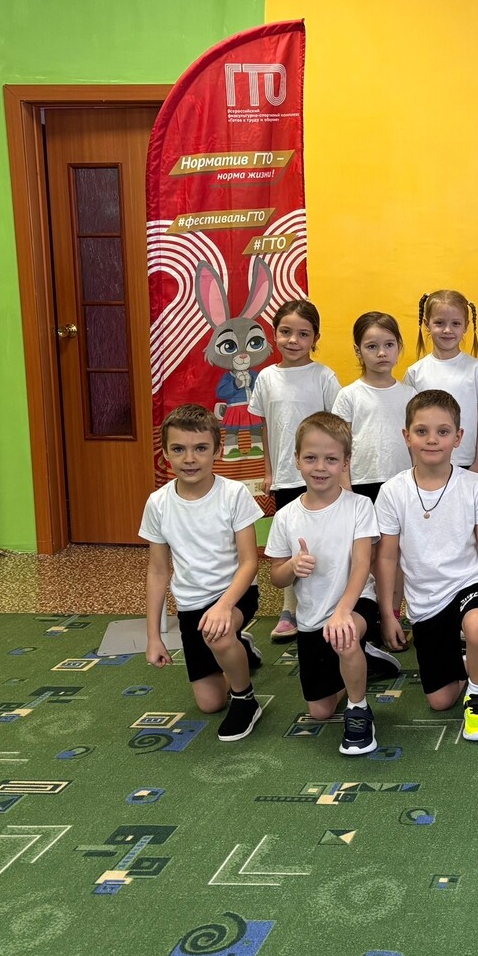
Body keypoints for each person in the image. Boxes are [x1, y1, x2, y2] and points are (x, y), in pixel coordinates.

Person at [375, 390, 478, 741]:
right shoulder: (392, 491)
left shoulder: (474, 485)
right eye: (422, 431)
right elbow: (387, 556)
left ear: (458, 437)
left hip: (469, 584)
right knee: (440, 700)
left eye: (443, 431)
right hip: (426, 600)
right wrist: (389, 612)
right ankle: (474, 658)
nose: (432, 439)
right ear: (406, 436)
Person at [264, 412, 404, 755]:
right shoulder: (285, 517)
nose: (320, 467)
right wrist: (292, 567)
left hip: (356, 603)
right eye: (311, 457)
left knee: (345, 636)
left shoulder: (359, 506)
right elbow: (275, 577)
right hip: (312, 618)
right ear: (297, 460)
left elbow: (362, 565)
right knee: (320, 711)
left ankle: (359, 710)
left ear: (345, 462)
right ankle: (365, 660)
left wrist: (343, 611)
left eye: (331, 459)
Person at [140, 404, 266, 741]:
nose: (190, 458)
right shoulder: (158, 503)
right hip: (191, 606)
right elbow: (157, 571)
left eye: (200, 448)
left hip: (235, 594)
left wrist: (224, 606)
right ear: (165, 454)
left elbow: (250, 562)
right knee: (210, 704)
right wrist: (153, 636)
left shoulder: (234, 494)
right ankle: (239, 648)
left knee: (219, 635)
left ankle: (246, 700)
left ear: (217, 451)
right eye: (178, 449)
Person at [248, 298, 342, 644]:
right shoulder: (266, 378)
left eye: (303, 334)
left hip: (320, 475)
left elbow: (339, 429)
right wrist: (269, 470)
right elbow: (266, 428)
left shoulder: (324, 377)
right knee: (291, 542)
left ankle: (329, 602)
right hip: (286, 476)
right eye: (286, 332)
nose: (293, 340)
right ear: (274, 334)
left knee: (322, 538)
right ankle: (290, 609)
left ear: (315, 338)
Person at [404, 290, 478, 475]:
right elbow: (410, 422)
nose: (447, 330)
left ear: (466, 326)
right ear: (427, 324)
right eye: (439, 323)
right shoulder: (416, 372)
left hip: (467, 461)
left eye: (455, 323)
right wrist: (415, 464)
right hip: (427, 461)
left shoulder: (476, 369)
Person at [332, 312, 412, 502]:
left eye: (389, 345)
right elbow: (338, 445)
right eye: (372, 346)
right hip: (362, 481)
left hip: (403, 479)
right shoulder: (348, 395)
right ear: (357, 350)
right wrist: (344, 485)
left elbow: (416, 443)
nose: (381, 353)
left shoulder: (410, 395)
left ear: (399, 347)